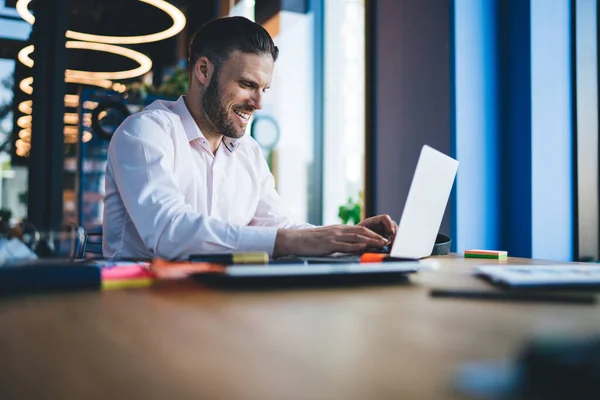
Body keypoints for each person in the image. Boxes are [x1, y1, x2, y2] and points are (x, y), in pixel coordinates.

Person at [103, 16, 396, 260]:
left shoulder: (248, 152)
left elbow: (281, 226)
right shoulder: (144, 133)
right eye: (246, 84)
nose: (258, 103)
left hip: (218, 303)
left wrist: (347, 239)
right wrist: (295, 240)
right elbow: (169, 232)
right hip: (140, 309)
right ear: (203, 70)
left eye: (264, 89)